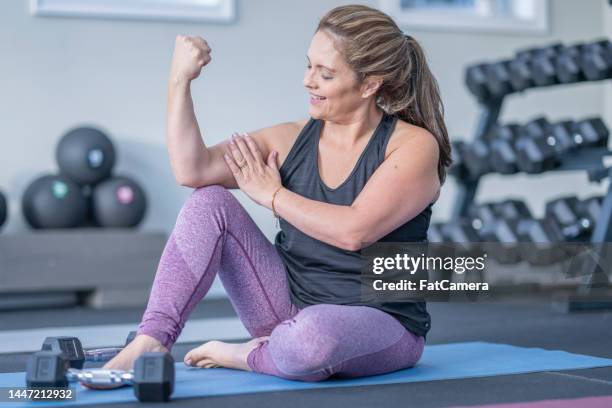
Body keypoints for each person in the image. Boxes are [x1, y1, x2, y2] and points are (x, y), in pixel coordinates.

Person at [104, 4, 451, 382]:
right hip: (285, 308)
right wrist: (179, 82)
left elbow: (355, 231)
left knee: (312, 336)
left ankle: (247, 354)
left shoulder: (413, 146)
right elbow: (194, 169)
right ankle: (152, 338)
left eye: (325, 73)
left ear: (369, 85)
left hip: (383, 323)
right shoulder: (290, 139)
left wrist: (271, 195)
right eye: (308, 66)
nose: (308, 81)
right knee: (209, 201)